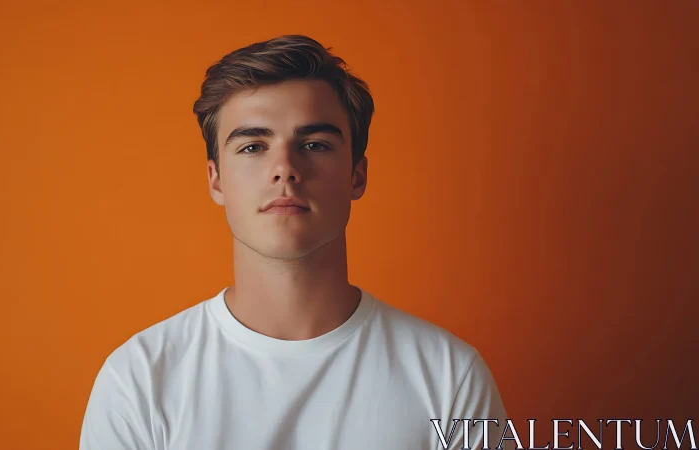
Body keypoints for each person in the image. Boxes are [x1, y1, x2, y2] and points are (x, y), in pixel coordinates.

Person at [79, 34, 508, 450]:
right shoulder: (138, 381)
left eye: (315, 144)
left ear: (356, 175)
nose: (284, 169)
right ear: (216, 180)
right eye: (252, 147)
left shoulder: (450, 379)